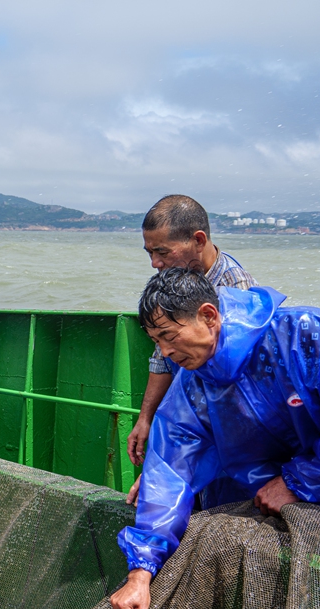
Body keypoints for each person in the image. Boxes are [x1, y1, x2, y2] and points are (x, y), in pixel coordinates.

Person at [110, 268, 320, 609]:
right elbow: (169, 470)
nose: (164, 351)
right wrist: (141, 571)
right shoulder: (193, 386)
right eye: (155, 341)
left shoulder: (305, 333)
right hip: (268, 501)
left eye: (168, 336)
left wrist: (296, 482)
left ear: (209, 316)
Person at [125, 195, 255, 505]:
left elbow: (228, 394)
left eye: (162, 252)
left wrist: (167, 465)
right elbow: (163, 356)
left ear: (198, 240)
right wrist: (146, 418)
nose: (155, 263)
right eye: (149, 253)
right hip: (187, 415)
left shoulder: (235, 291)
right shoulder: (173, 281)